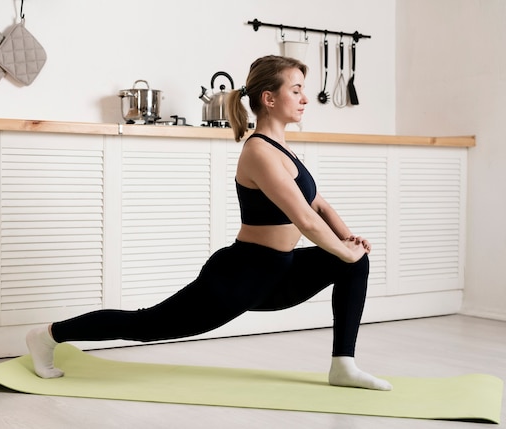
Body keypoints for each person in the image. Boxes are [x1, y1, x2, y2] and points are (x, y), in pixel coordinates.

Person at [26, 55, 392, 391]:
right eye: (295, 90)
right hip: (240, 276)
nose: (304, 98)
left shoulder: (284, 149)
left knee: (355, 262)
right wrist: (342, 252)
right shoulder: (259, 151)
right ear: (269, 98)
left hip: (280, 272)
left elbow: (319, 204)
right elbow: (306, 221)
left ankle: (343, 365)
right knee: (146, 325)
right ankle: (47, 336)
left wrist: (348, 239)